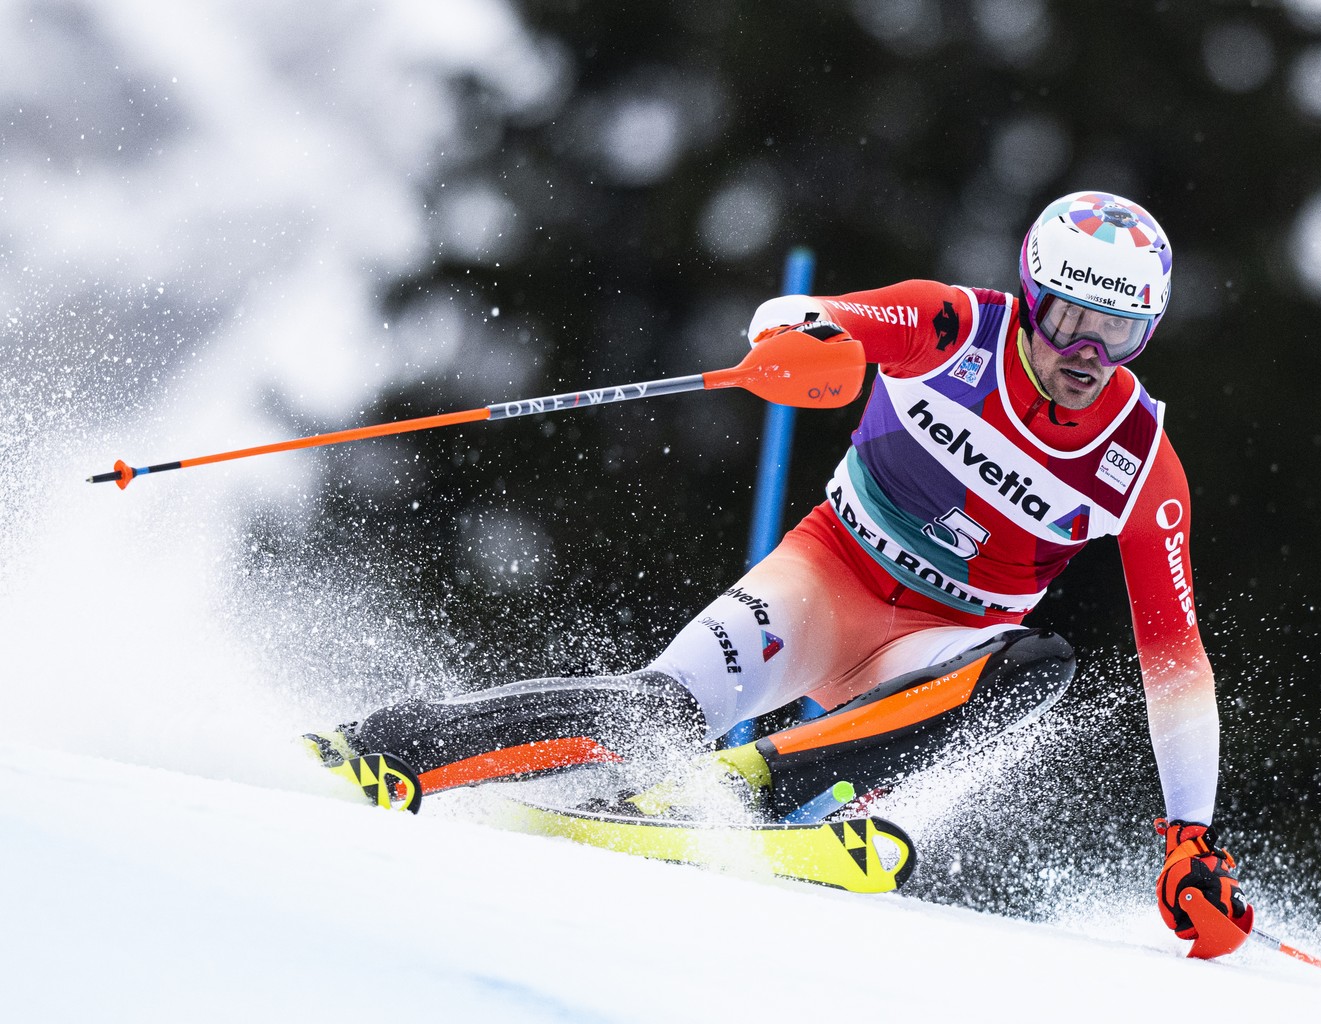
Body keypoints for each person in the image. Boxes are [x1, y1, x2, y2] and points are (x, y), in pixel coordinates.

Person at [309, 190, 1251, 944]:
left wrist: (1189, 840)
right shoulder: (952, 330)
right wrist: (803, 344)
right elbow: (805, 312)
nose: (1088, 355)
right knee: (660, 710)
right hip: (827, 578)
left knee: (1038, 668)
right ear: (1031, 297)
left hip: (934, 652)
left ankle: (752, 785)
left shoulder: (1142, 464)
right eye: (1071, 321)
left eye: (1119, 334)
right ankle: (395, 745)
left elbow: (1176, 660)